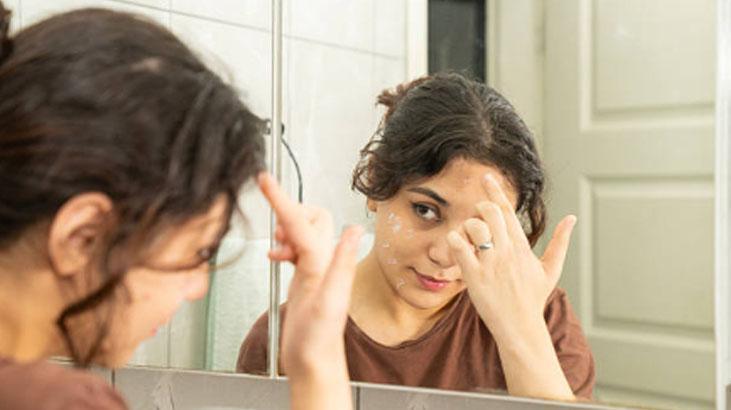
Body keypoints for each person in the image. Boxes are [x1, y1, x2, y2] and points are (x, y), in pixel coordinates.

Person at [0, 3, 360, 409]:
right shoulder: (59, 402)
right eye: (197, 253)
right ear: (83, 236)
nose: (198, 288)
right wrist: (318, 364)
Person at [238, 73, 595, 401]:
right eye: (425, 210)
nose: (445, 255)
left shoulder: (541, 315)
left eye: (478, 227)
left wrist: (520, 331)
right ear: (376, 181)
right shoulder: (293, 334)